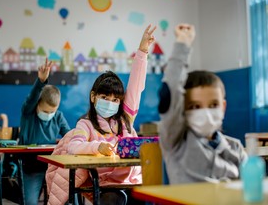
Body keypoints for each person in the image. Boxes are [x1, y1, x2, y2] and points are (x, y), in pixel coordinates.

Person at [45, 24, 157, 205]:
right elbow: (74, 146)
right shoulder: (86, 124)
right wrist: (97, 148)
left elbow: (136, 85)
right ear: (93, 96)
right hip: (107, 185)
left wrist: (143, 50)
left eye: (115, 100)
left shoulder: (125, 119)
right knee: (114, 199)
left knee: (149, 196)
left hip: (132, 180)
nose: (110, 103)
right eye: (104, 97)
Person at [158, 23, 247, 185]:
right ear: (182, 110)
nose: (205, 112)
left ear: (223, 107)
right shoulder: (176, 142)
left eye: (213, 105)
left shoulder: (236, 149)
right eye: (195, 106)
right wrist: (183, 43)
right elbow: (170, 91)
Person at [18, 60, 71, 205]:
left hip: (52, 166)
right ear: (37, 104)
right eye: (45, 110)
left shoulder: (58, 116)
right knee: (29, 202)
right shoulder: (28, 112)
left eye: (52, 111)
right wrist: (41, 81)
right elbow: (31, 98)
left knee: (63, 198)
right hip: (30, 167)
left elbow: (69, 135)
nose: (49, 114)